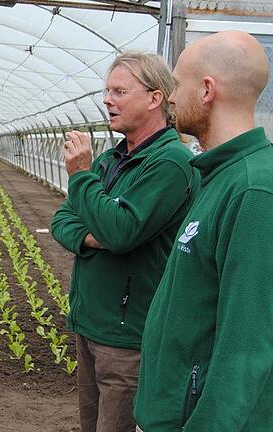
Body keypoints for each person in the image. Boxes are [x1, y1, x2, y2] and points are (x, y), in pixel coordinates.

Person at [50, 52, 199, 432]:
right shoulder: (110, 159)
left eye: (119, 91)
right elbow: (62, 220)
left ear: (154, 98)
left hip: (126, 336)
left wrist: (82, 177)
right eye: (106, 90)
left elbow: (120, 232)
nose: (107, 99)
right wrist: (94, 234)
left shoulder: (170, 163)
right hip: (90, 324)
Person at [134, 31, 273, 432]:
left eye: (176, 84)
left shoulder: (254, 190)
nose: (170, 96)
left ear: (208, 90)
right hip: (170, 416)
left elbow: (247, 349)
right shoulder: (220, 176)